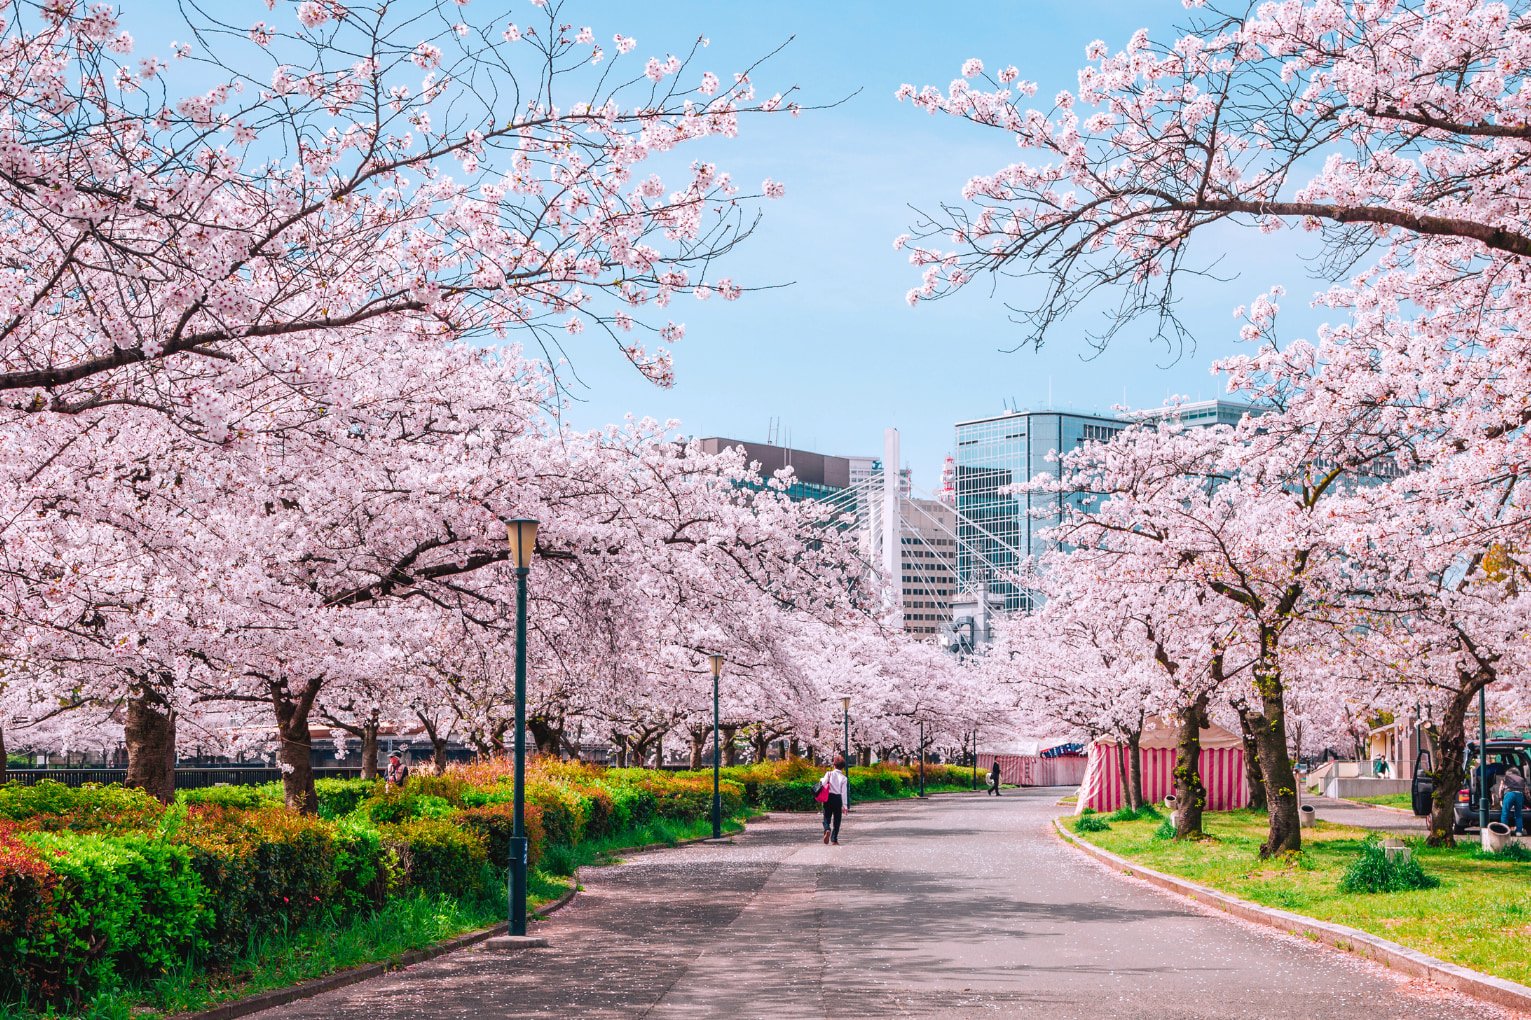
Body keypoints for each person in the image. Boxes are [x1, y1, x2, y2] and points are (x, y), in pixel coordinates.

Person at [820, 756, 849, 845]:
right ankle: (834, 840)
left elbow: (823, 783)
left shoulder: (829, 774)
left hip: (828, 797)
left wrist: (821, 779)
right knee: (837, 819)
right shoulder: (844, 778)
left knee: (826, 816)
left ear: (834, 765)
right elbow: (844, 792)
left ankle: (827, 829)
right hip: (838, 798)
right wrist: (845, 805)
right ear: (843, 767)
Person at [1500, 766, 1527, 836]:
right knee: (1518, 814)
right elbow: (1526, 791)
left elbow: (1501, 789)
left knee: (1505, 813)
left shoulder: (1506, 777)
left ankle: (1504, 831)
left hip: (1509, 794)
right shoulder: (1522, 779)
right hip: (1519, 795)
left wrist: (1500, 798)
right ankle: (1519, 832)